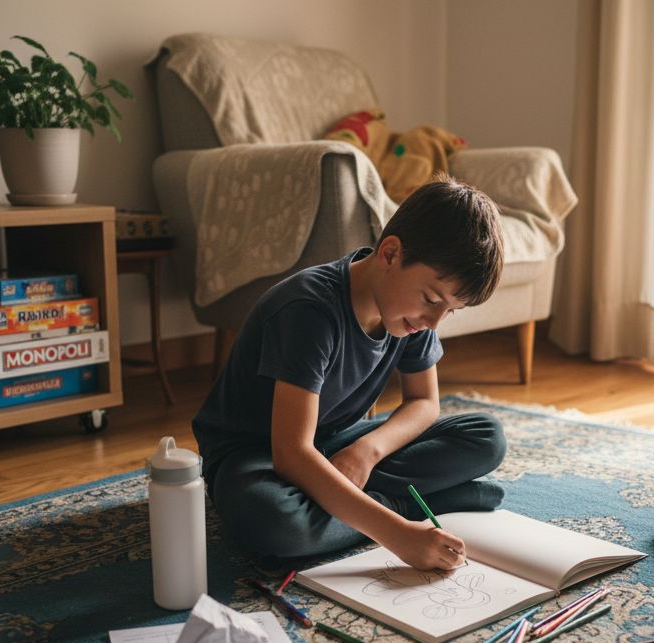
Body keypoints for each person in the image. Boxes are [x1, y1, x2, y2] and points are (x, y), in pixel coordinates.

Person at [193, 177, 508, 572]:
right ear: (390, 254)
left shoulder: (409, 315)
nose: (433, 321)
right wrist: (400, 534)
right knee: (274, 524)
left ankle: (346, 503)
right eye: (431, 299)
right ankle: (407, 503)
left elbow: (424, 403)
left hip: (332, 445)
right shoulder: (309, 310)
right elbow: (291, 453)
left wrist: (366, 451)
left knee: (485, 437)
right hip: (258, 457)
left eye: (451, 311)